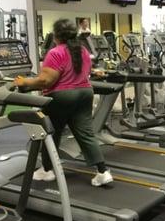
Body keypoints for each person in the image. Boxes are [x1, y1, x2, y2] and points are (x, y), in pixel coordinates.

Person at [14, 18, 113, 187]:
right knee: (86, 134)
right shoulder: (82, 50)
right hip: (85, 94)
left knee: (51, 133)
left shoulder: (55, 53)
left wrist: (24, 83)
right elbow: (85, 73)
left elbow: (46, 81)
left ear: (56, 36)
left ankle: (47, 170)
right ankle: (103, 172)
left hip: (62, 96)